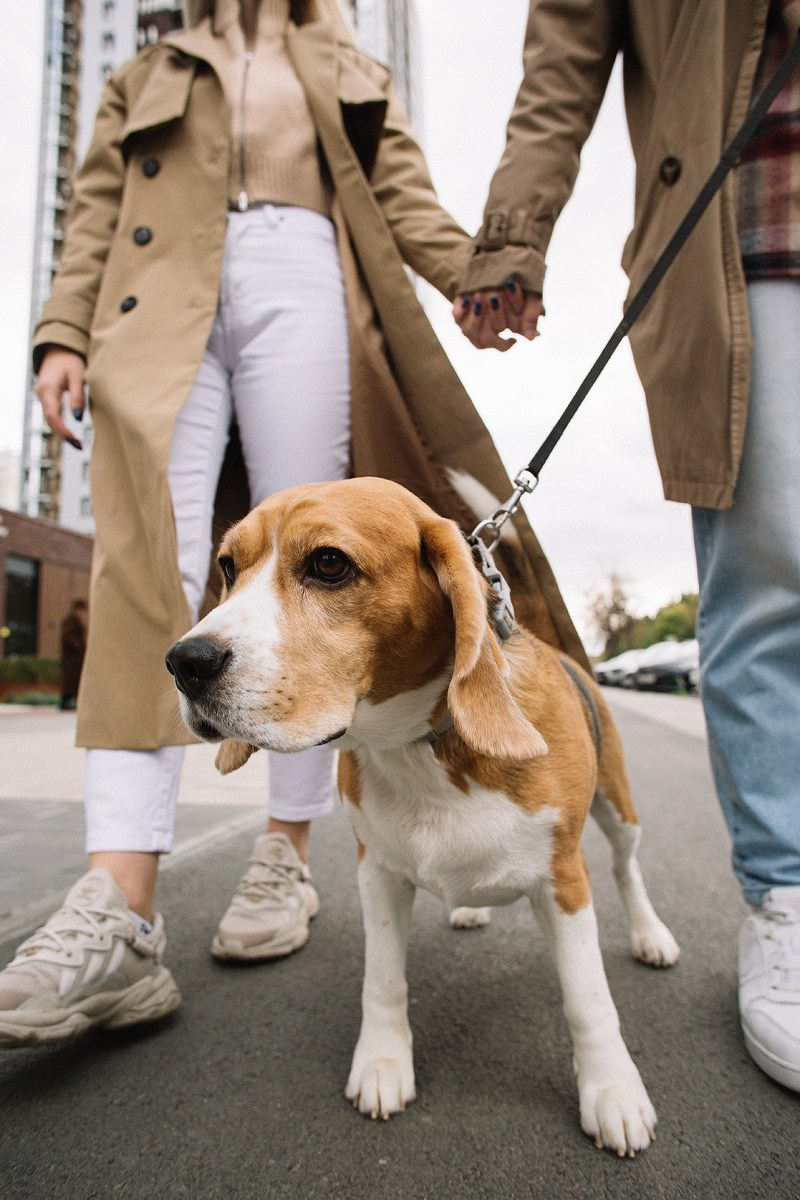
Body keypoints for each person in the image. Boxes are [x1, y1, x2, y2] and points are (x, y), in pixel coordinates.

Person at [0, 0, 587, 1047]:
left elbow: (401, 194)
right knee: (147, 568)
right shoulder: (146, 67)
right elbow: (93, 211)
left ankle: (286, 849)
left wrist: (480, 274)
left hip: (306, 276)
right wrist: (60, 331)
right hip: (153, 290)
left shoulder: (341, 53)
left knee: (317, 574)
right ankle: (120, 906)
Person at [454, 0, 800, 1093]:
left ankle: (692, 893)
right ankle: (786, 896)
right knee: (769, 576)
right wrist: (508, 241)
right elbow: (560, 60)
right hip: (750, 217)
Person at [59, 599, 88, 711]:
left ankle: (68, 700)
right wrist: (80, 646)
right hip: (72, 657)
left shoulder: (75, 621)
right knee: (71, 679)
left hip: (75, 656)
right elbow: (69, 636)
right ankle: (66, 701)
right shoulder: (71, 621)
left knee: (73, 679)